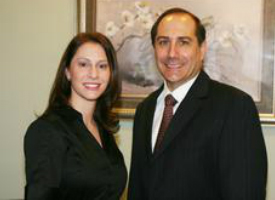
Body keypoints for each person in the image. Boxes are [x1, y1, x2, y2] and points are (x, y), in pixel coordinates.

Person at [128, 7, 267, 200]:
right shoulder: (145, 109)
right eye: (163, 42)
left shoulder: (235, 107)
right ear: (154, 49)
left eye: (183, 42)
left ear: (202, 50)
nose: (172, 53)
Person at [24, 32, 127, 200]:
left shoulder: (104, 130)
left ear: (111, 74)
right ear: (68, 72)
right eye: (83, 64)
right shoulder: (47, 130)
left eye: (102, 66)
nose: (94, 74)